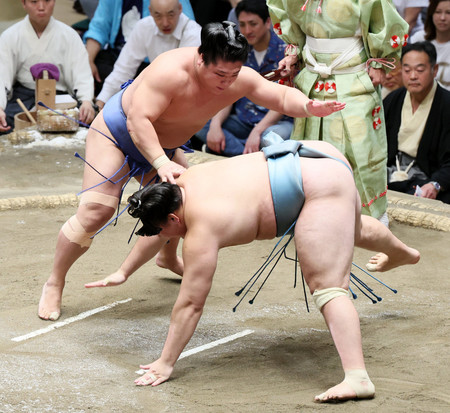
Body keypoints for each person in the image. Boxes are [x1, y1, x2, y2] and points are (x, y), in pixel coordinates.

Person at [38, 21, 345, 322]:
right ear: (201, 58)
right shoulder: (169, 72)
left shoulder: (238, 78)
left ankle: (167, 258)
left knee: (181, 207)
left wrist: (308, 106)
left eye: (234, 74)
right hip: (117, 134)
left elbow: (277, 95)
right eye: (220, 74)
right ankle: (55, 281)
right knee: (96, 212)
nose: (227, 82)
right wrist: (161, 162)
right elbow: (138, 120)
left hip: (163, 147)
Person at [85, 135, 420, 402]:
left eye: (160, 230)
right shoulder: (185, 178)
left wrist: (165, 361)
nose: (160, 237)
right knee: (346, 227)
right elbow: (162, 231)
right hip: (318, 155)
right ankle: (403, 252)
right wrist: (125, 271)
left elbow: (191, 304)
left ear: (173, 218)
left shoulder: (202, 230)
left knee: (327, 285)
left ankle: (357, 377)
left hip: (317, 187)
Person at [266, 0, 409, 224]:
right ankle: (314, 210)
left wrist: (380, 62)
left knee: (360, 147)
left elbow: (383, 20)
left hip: (353, 75)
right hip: (313, 74)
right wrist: (293, 52)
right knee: (311, 145)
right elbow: (288, 15)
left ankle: (370, 214)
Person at [194, 0, 293, 156]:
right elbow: (229, 91)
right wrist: (215, 125)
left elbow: (283, 100)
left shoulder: (285, 52)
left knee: (270, 139)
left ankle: (236, 151)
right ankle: (249, 155)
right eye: (242, 24)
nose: (247, 30)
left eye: (253, 24)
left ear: (268, 22)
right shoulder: (239, 52)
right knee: (198, 122)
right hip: (243, 121)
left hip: (274, 123)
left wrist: (257, 132)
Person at [0, 0, 95, 134]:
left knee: (86, 123)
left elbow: (82, 74)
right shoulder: (10, 36)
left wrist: (86, 101)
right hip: (23, 97)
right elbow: (2, 76)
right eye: (34, 2)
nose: (41, 7)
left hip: (60, 98)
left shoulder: (69, 36)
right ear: (24, 3)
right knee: (6, 123)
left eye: (47, 1)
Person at [96, 0, 202, 109]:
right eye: (158, 16)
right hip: (157, 91)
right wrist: (101, 101)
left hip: (187, 98)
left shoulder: (194, 35)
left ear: (180, 9)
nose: (165, 23)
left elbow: (184, 82)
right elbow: (123, 69)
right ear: (150, 11)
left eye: (170, 15)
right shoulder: (144, 27)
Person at [384, 41, 450, 204]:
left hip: (427, 177)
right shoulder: (394, 99)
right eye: (407, 70)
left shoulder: (446, 104)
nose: (413, 76)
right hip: (390, 172)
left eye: (419, 70)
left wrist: (436, 184)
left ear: (434, 70)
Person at [411, 0, 450, 91]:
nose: (442, 18)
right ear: (431, 13)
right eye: (437, 12)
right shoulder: (419, 38)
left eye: (448, 13)